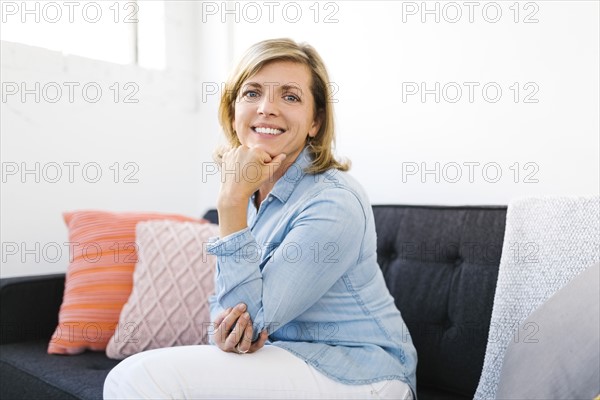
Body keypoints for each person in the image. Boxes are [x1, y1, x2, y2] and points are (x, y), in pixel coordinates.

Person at [103, 38, 417, 399]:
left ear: (315, 122)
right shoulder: (253, 193)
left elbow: (251, 321)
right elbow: (227, 321)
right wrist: (233, 330)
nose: (267, 108)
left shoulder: (334, 202)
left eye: (290, 96)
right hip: (283, 359)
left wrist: (230, 202)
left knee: (136, 379)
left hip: (361, 374)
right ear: (233, 109)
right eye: (252, 93)